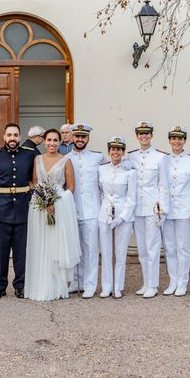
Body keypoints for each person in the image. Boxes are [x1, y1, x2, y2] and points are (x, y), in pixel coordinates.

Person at [24, 129, 81, 301]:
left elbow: (70, 187)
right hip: (39, 207)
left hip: (59, 207)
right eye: (49, 140)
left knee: (54, 245)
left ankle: (57, 286)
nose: (52, 143)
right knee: (40, 243)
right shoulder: (37, 159)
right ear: (43, 141)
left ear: (60, 142)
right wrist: (42, 200)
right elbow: (34, 183)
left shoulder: (66, 161)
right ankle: (39, 285)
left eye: (56, 140)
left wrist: (57, 203)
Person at [0, 122, 35, 299]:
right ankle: (0, 286)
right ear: (4, 137)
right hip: (1, 210)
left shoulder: (29, 155)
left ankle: (20, 285)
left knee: (21, 251)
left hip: (22, 209)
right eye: (9, 135)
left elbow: (35, 180)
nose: (12, 138)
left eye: (15, 135)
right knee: (2, 251)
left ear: (20, 137)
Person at [127, 121, 169, 298]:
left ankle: (153, 284)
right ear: (137, 136)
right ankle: (146, 282)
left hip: (153, 207)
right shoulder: (130, 157)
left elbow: (164, 185)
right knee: (142, 249)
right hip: (137, 208)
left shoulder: (160, 157)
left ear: (151, 135)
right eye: (140, 133)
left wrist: (162, 210)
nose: (144, 136)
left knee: (153, 247)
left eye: (147, 133)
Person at [162, 126, 190, 297]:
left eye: (180, 138)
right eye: (173, 138)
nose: (176, 141)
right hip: (167, 210)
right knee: (170, 248)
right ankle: (173, 281)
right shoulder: (163, 160)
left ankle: (182, 283)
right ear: (169, 140)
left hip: (185, 210)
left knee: (183, 248)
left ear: (184, 140)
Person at [67, 123, 103, 298]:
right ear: (72, 137)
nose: (80, 140)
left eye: (83, 137)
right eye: (77, 136)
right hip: (72, 210)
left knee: (90, 249)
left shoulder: (98, 158)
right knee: (75, 248)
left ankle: (89, 284)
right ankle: (76, 281)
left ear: (88, 138)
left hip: (92, 210)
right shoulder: (65, 158)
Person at [98, 137, 137, 298]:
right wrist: (105, 210)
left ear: (123, 152)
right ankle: (106, 286)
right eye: (113, 149)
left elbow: (131, 197)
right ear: (109, 152)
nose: (116, 152)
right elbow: (100, 191)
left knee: (120, 253)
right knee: (106, 252)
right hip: (104, 215)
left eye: (119, 149)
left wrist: (122, 217)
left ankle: (118, 286)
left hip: (123, 216)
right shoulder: (102, 169)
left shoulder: (130, 171)